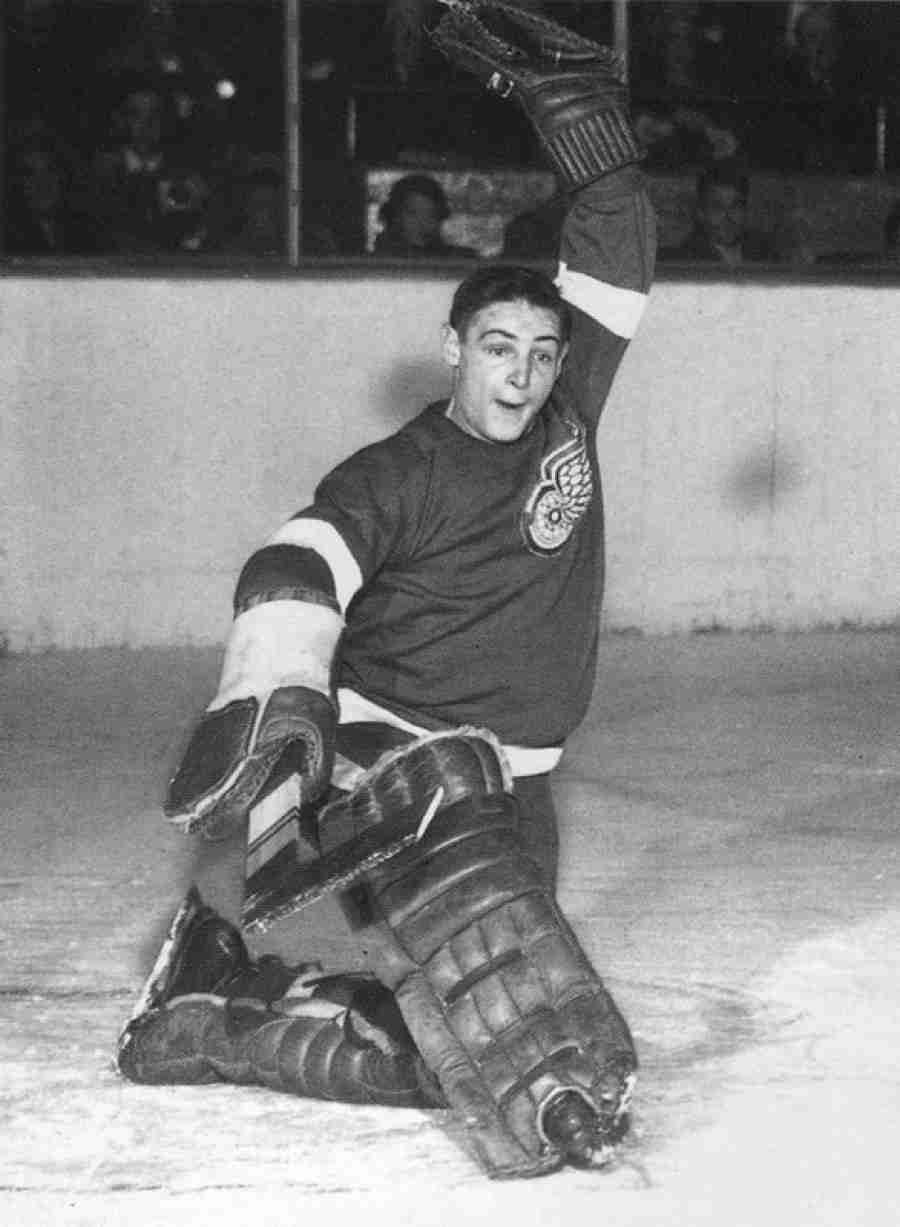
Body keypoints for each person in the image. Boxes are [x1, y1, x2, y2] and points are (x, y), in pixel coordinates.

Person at [116, 2, 656, 1181]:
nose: (519, 372)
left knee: (515, 1028)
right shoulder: (401, 472)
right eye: (497, 346)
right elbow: (296, 559)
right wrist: (278, 675)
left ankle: (217, 967)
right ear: (454, 347)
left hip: (519, 781)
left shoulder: (569, 413)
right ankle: (210, 1023)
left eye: (540, 349)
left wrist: (575, 114)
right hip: (405, 776)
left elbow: (616, 232)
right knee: (479, 1052)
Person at [661, 160, 778, 265]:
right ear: (701, 213)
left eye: (735, 207)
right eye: (717, 208)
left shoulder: (765, 255)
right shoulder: (682, 260)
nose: (727, 217)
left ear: (745, 210)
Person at [373, 172, 476, 258]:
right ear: (394, 216)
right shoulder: (378, 259)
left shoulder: (457, 258)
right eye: (412, 213)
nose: (422, 223)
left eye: (431, 215)